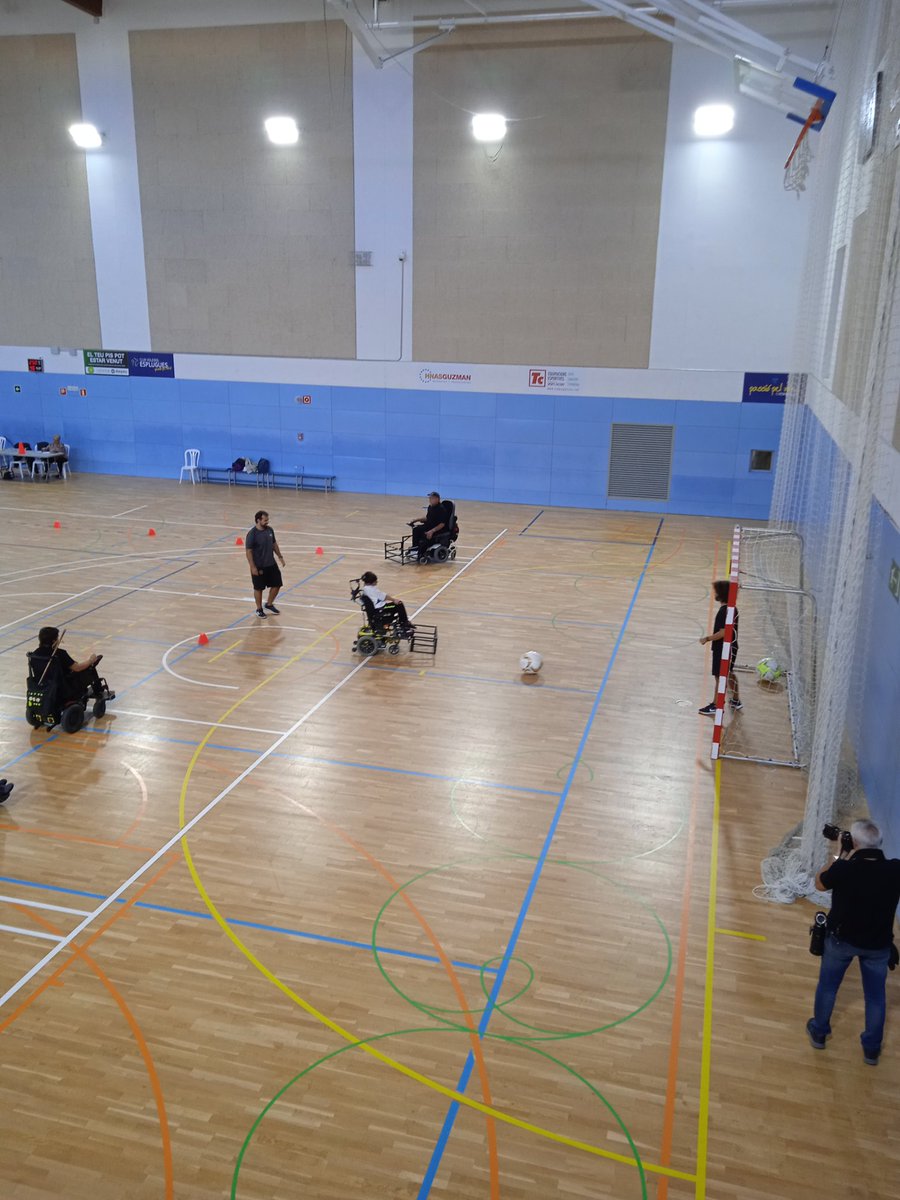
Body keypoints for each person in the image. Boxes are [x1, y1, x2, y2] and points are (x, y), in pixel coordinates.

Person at [807, 820, 900, 1064]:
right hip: (878, 945)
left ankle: (819, 1033)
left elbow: (819, 882)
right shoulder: (895, 870)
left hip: (841, 942)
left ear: (854, 843)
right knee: (876, 997)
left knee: (828, 987)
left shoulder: (844, 869)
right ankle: (871, 1049)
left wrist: (841, 853)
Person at [30, 627, 111, 703]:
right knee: (90, 668)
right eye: (57, 638)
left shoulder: (34, 654)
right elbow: (77, 668)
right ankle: (98, 691)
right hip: (62, 687)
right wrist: (90, 660)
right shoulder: (60, 654)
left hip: (42, 685)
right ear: (54, 641)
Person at [698, 579, 742, 715]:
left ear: (721, 594)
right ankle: (735, 700)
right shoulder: (733, 609)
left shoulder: (725, 611)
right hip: (731, 648)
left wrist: (707, 638)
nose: (715, 593)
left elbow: (723, 633)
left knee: (720, 676)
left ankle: (716, 705)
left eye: (716, 591)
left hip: (724, 649)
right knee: (729, 673)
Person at [246, 509, 286, 618]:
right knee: (259, 588)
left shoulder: (270, 530)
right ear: (258, 520)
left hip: (271, 564)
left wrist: (280, 557)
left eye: (267, 520)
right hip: (259, 566)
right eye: (265, 520)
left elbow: (274, 544)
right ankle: (259, 609)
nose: (267, 522)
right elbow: (248, 551)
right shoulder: (252, 534)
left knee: (277, 584)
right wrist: (252, 567)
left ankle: (269, 604)